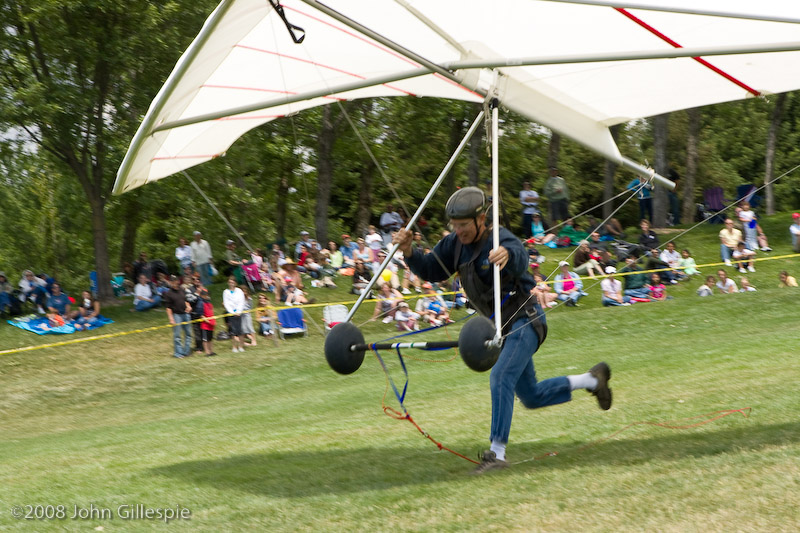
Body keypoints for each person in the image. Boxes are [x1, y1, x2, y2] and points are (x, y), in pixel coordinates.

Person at [395, 187, 611, 473]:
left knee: (500, 376)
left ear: (481, 219)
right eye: (455, 226)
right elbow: (432, 270)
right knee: (531, 396)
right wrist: (408, 250)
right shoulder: (454, 245)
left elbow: (521, 258)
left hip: (524, 319)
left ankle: (496, 454)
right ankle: (592, 380)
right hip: (499, 327)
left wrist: (507, 254)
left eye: (464, 225)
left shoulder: (500, 238)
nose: (459, 231)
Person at [164, 275, 193, 359]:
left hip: (186, 314)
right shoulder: (169, 294)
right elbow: (168, 308)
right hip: (177, 315)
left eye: (176, 281)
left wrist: (189, 306)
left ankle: (186, 352)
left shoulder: (182, 290)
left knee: (188, 334)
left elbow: (186, 300)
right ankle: (178, 353)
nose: (175, 283)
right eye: (172, 281)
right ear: (170, 282)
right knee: (177, 335)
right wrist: (171, 318)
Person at [223, 277, 246, 352]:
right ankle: (234, 347)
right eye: (230, 282)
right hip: (231, 313)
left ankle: (241, 346)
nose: (231, 283)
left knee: (240, 330)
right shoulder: (226, 292)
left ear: (235, 283)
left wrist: (239, 311)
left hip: (239, 313)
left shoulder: (239, 291)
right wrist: (231, 312)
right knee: (233, 331)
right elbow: (226, 303)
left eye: (232, 282)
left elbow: (241, 301)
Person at [198, 288, 217, 356]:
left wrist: (213, 322)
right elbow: (201, 315)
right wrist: (208, 321)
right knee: (205, 339)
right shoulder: (201, 304)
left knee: (210, 339)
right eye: (205, 295)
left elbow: (212, 313)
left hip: (211, 325)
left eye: (207, 295)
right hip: (205, 325)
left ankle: (211, 351)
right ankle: (207, 352)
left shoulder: (209, 303)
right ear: (202, 295)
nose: (207, 296)